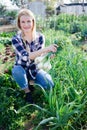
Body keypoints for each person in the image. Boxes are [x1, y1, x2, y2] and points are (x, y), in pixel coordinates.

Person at [12, 8, 58, 104]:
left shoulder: (40, 37)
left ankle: (31, 81)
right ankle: (27, 91)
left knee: (50, 84)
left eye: (29, 21)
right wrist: (46, 49)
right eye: (23, 22)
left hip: (35, 68)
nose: (26, 24)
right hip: (22, 68)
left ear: (33, 22)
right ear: (19, 23)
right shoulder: (16, 39)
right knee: (16, 71)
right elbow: (26, 56)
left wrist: (48, 55)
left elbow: (40, 55)